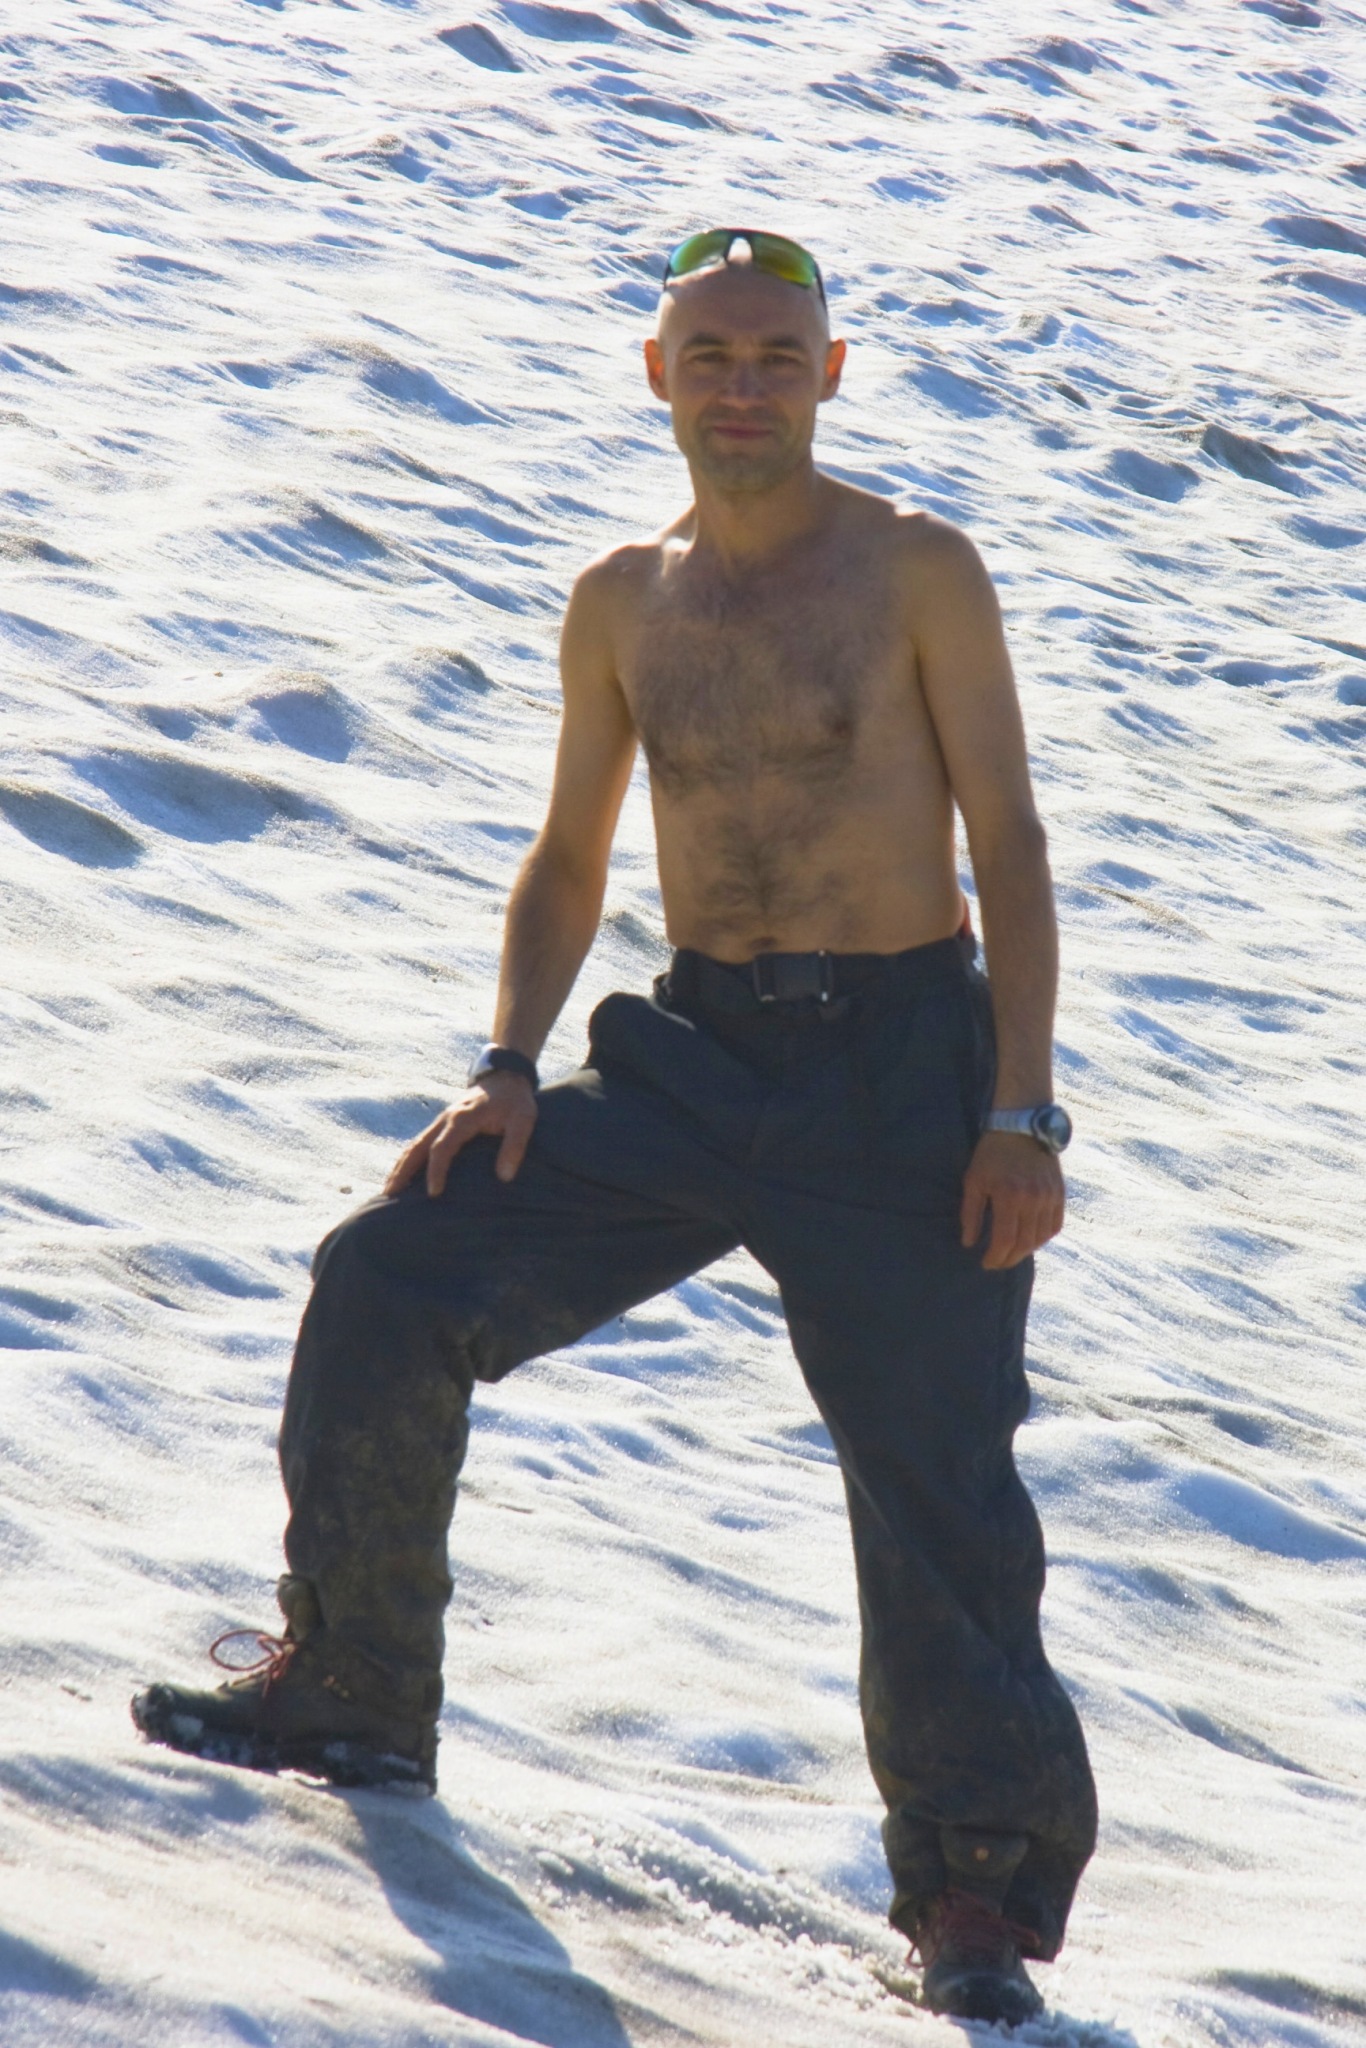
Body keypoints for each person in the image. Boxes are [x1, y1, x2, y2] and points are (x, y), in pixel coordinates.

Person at [133, 228, 1097, 2024]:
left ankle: (969, 1890)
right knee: (392, 1273)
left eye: (778, 356)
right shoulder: (619, 599)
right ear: (658, 376)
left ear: (830, 375)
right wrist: (505, 1061)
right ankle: (355, 1690)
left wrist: (1018, 1110)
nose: (744, 386)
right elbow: (569, 856)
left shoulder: (914, 566)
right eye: (709, 355)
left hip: (902, 1071)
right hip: (695, 1051)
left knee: (933, 1477)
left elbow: (1013, 843)